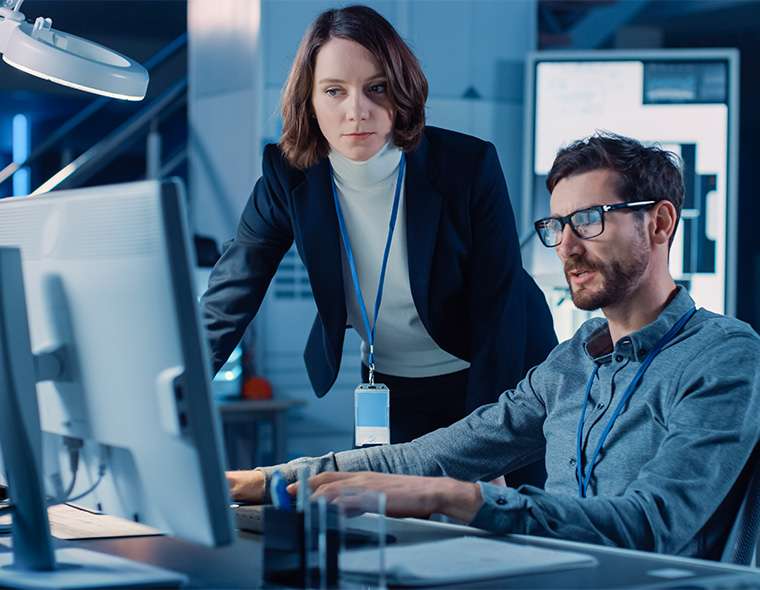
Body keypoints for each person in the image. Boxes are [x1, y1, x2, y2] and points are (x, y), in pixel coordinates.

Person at [227, 133, 760, 561]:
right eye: (557, 226)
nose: (567, 246)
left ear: (661, 222)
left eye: (590, 220)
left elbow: (653, 525)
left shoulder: (724, 357)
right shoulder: (570, 365)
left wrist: (452, 496)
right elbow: (429, 456)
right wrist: (267, 480)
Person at [201, 5, 557, 446]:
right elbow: (231, 292)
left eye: (377, 88)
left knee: (505, 511)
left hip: (500, 374)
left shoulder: (467, 166)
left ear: (402, 92)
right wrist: (179, 392)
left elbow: (499, 311)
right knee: (380, 509)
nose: (357, 110)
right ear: (308, 101)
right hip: (392, 379)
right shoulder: (288, 176)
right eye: (334, 91)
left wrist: (492, 443)